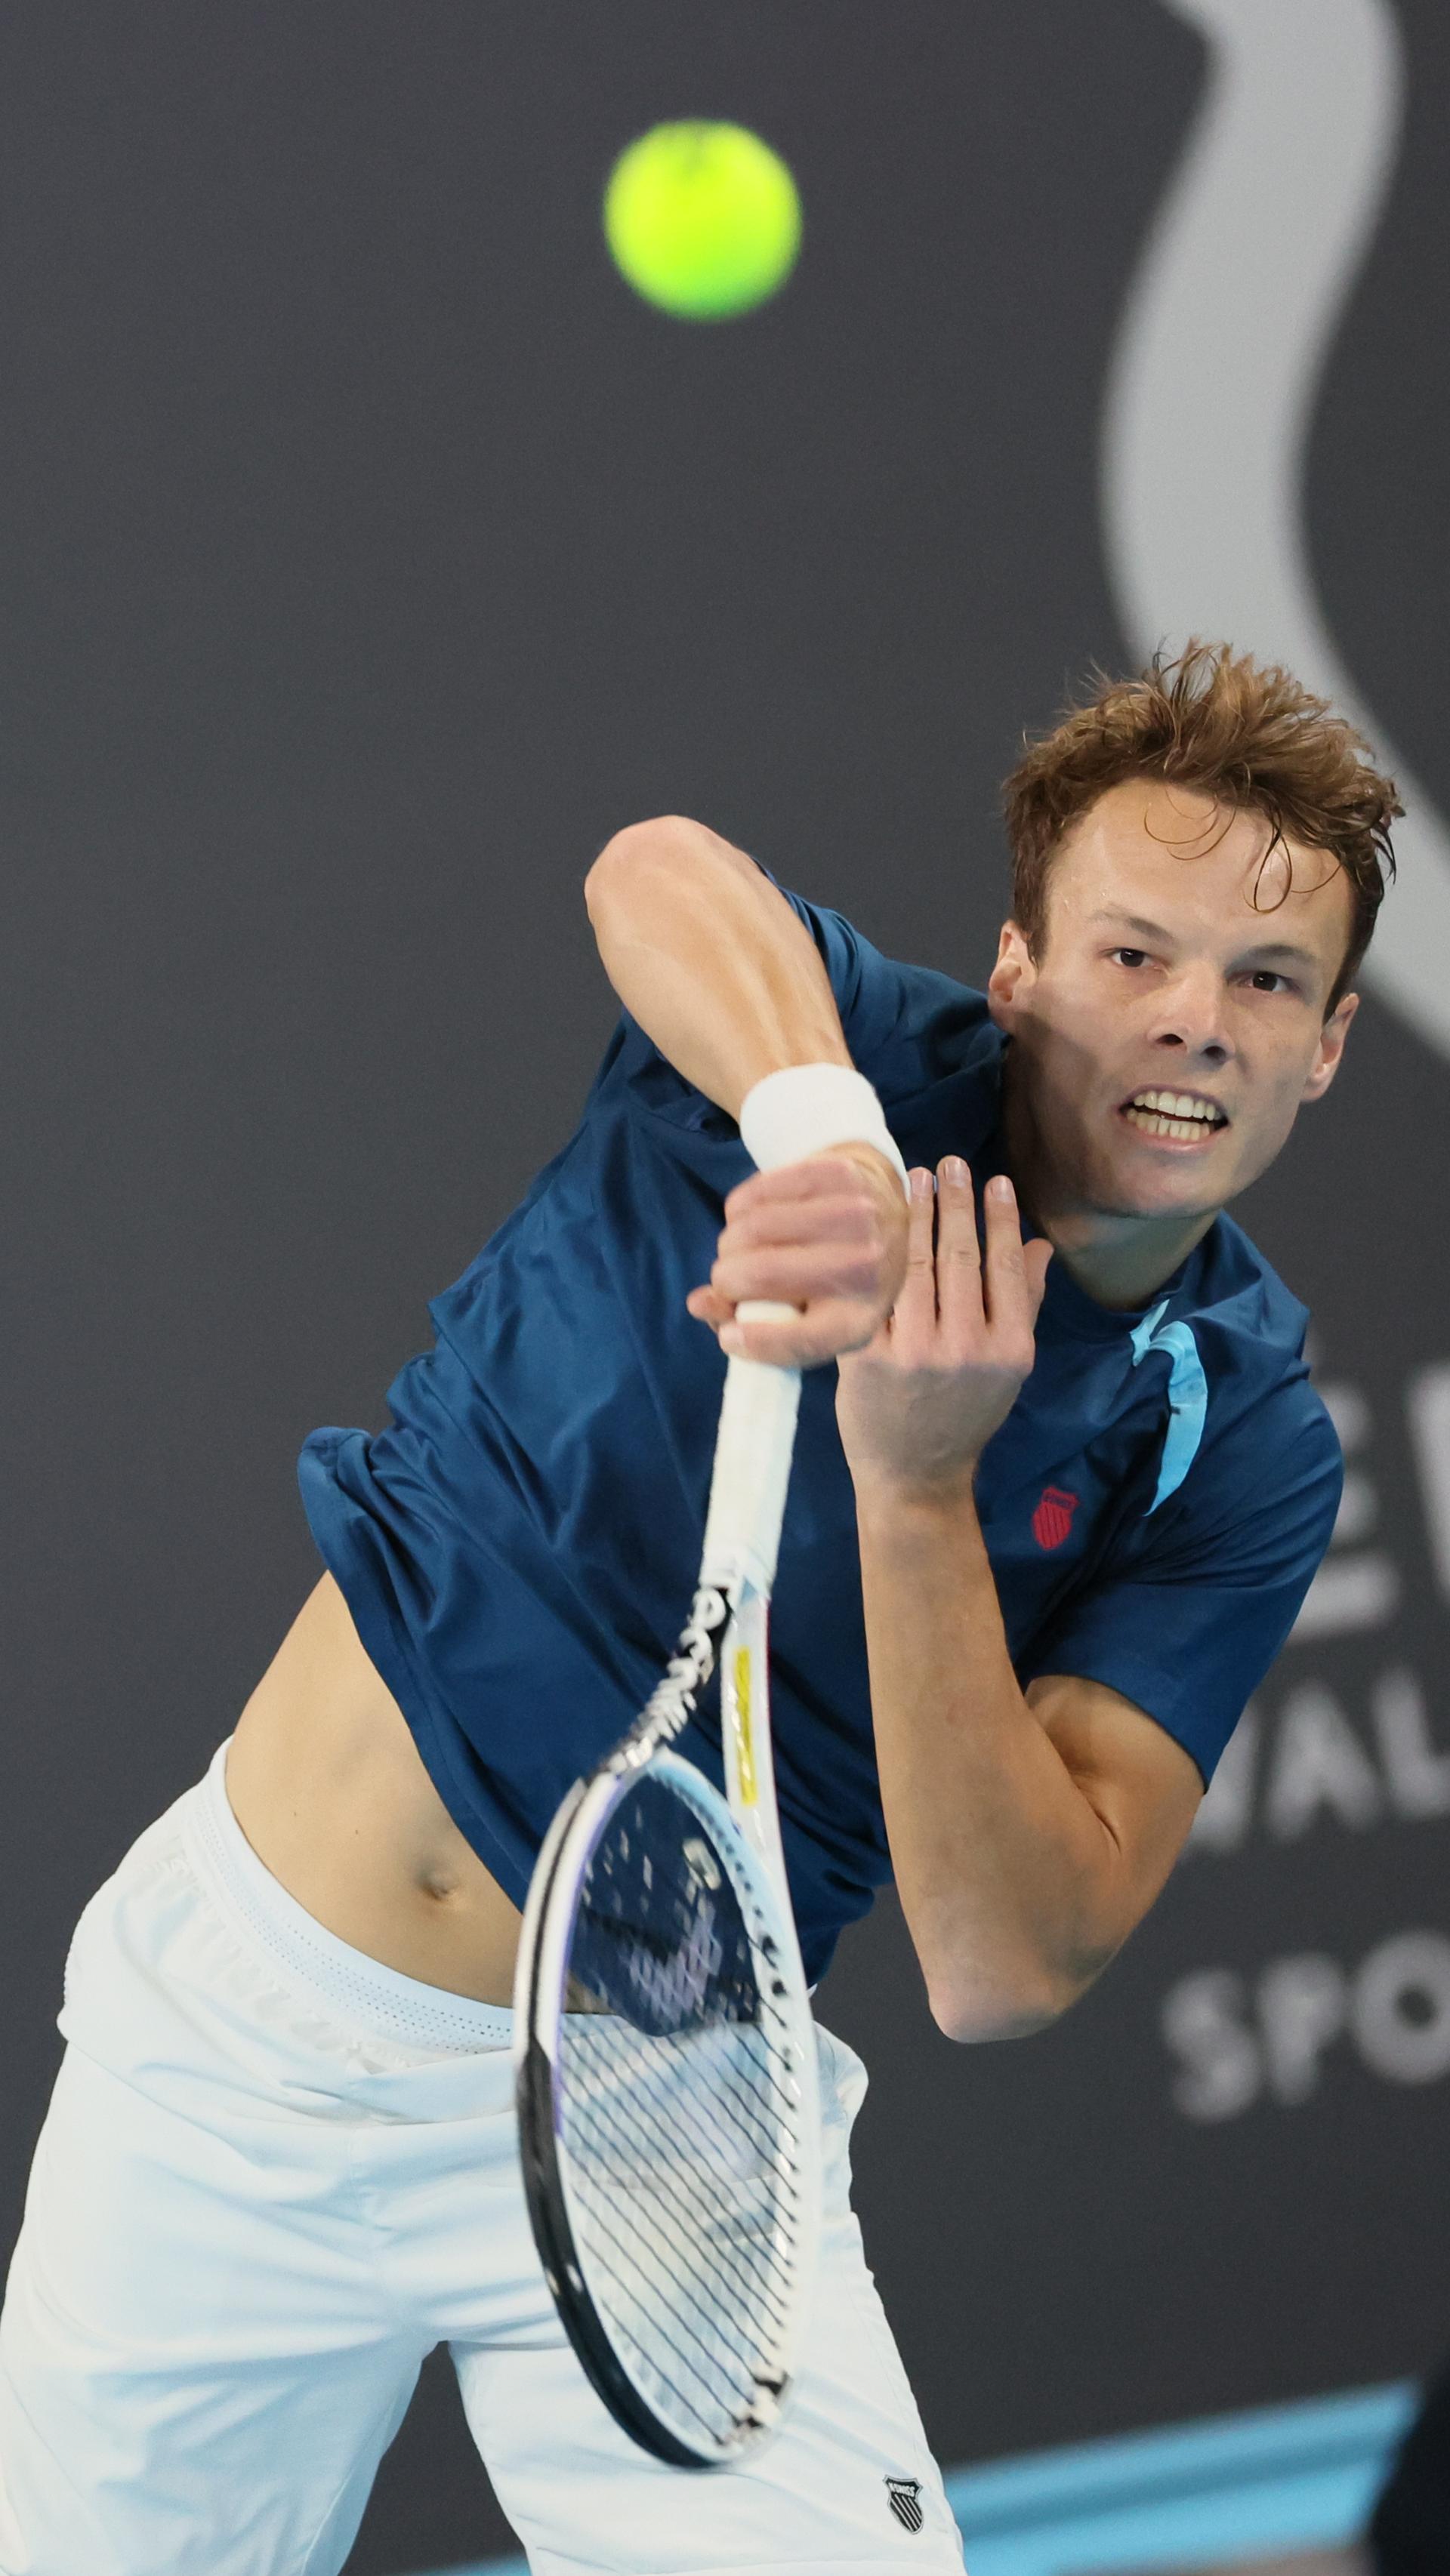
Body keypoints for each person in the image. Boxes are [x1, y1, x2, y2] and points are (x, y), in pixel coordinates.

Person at [0, 643, 1399, 2575]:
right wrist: (817, 1125)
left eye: (1267, 982)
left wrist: (914, 1480)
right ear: (1017, 968)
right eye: (1133, 953)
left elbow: (1005, 1962)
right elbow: (654, 868)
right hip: (244, 2049)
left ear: (1329, 1042)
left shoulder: (1234, 1430)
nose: (1195, 1023)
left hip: (671, 2120)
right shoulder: (834, 1049)